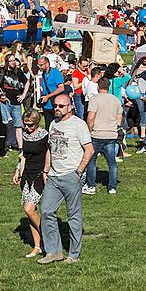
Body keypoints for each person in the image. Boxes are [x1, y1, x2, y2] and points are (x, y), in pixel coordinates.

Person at [39, 94, 93, 264]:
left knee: (73, 216)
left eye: (61, 106)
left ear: (70, 107)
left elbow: (89, 150)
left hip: (71, 175)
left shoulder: (79, 124)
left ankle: (73, 254)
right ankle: (53, 252)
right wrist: (46, 170)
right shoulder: (53, 123)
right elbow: (50, 148)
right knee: (47, 211)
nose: (57, 108)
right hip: (54, 176)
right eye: (55, 106)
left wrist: (78, 172)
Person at [14, 109, 50, 258]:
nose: (27, 128)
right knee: (30, 213)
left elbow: (49, 154)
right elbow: (24, 155)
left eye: (30, 125)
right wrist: (17, 171)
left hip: (39, 175)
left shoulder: (45, 136)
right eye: (25, 125)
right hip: (26, 176)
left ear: (37, 123)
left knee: (29, 209)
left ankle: (48, 236)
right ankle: (37, 246)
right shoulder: (25, 135)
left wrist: (47, 172)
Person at [84, 78, 122, 194]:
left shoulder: (94, 99)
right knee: (112, 162)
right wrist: (116, 127)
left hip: (97, 134)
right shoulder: (115, 100)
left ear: (97, 87)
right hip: (111, 134)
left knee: (92, 160)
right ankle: (112, 187)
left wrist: (88, 131)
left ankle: (91, 186)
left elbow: (91, 117)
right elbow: (119, 116)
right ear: (109, 87)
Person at [0, 55, 29, 150]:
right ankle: (6, 143)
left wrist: (23, 95)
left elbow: (27, 82)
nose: (13, 62)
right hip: (5, 101)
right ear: (7, 61)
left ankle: (20, 146)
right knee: (6, 123)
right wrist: (2, 64)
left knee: (18, 124)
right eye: (11, 61)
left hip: (16, 102)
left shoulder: (18, 71)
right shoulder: (2, 71)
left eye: (14, 60)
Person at [37, 56, 65, 128]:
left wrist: (48, 96)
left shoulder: (55, 72)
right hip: (47, 104)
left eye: (41, 65)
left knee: (58, 126)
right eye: (39, 65)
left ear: (47, 64)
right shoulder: (43, 74)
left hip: (55, 104)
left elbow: (61, 88)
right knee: (48, 126)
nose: (40, 67)